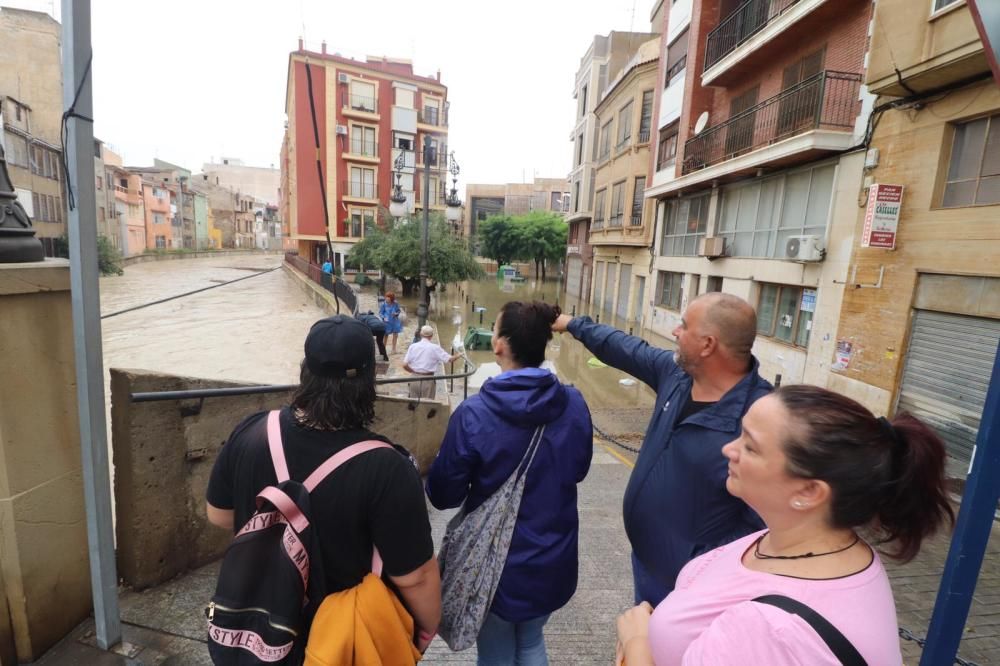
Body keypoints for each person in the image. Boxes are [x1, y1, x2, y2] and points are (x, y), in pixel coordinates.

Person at [614, 384, 954, 665]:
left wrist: (638, 643)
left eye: (750, 445)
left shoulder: (774, 632)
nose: (728, 449)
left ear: (808, 491)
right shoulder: (809, 544)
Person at [205, 314, 441, 651]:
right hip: (336, 643)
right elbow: (415, 577)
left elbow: (220, 515)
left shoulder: (253, 431)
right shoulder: (388, 468)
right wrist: (423, 635)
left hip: (260, 630)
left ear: (306, 372)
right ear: (369, 380)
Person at [552, 292, 771, 605]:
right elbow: (626, 348)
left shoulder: (762, 419)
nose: (675, 332)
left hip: (690, 590)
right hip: (645, 564)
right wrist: (572, 324)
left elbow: (762, 525)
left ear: (708, 344)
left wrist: (693, 567)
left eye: (684, 326)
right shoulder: (677, 375)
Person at [427, 301, 593, 665]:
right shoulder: (575, 403)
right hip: (555, 557)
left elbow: (443, 495)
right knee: (532, 640)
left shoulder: (474, 414)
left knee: (496, 650)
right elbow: (578, 469)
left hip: (494, 566)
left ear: (498, 344)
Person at [402, 324, 461, 399]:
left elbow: (404, 365)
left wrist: (413, 371)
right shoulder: (435, 348)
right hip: (428, 379)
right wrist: (459, 355)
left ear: (421, 334)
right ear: (431, 336)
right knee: (427, 405)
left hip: (414, 378)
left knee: (413, 406)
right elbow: (450, 359)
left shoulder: (413, 346)